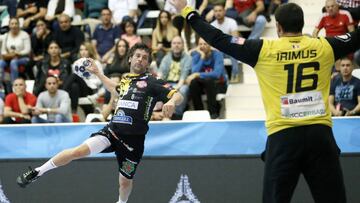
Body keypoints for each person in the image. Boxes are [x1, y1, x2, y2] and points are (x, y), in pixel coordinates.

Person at [171, 0, 360, 202]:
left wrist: (188, 11)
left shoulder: (263, 49)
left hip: (283, 137)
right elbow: (357, 37)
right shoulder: (325, 46)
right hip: (320, 136)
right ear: (302, 24)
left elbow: (218, 38)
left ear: (278, 27)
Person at [16, 43, 183, 203]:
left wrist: (171, 102)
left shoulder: (153, 82)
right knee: (77, 151)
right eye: (137, 56)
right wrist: (97, 73)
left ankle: (121, 202)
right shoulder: (126, 80)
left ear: (147, 63)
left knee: (124, 182)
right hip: (112, 131)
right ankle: (38, 171)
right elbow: (115, 89)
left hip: (133, 141)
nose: (140, 59)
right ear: (130, 59)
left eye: (145, 57)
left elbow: (178, 95)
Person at [188, 37, 227, 119]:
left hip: (218, 84)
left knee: (209, 81)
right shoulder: (197, 55)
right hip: (203, 85)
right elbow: (194, 72)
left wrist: (198, 74)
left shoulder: (217, 55)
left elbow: (217, 74)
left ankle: (213, 113)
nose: (202, 46)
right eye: (200, 44)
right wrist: (202, 57)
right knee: (193, 83)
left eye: (205, 44)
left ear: (210, 45)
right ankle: (199, 112)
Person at [158, 36, 191, 119]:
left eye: (179, 43)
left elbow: (184, 74)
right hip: (167, 83)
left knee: (183, 90)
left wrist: (176, 87)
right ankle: (160, 113)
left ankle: (177, 115)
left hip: (181, 83)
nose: (176, 45)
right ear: (171, 45)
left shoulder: (188, 58)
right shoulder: (166, 58)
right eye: (174, 43)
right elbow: (161, 74)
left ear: (183, 45)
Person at [211, 3, 241, 81]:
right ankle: (224, 78)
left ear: (224, 11)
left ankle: (235, 75)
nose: (218, 13)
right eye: (216, 11)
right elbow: (211, 43)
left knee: (233, 50)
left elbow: (235, 39)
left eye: (220, 10)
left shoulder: (232, 22)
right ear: (214, 13)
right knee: (217, 54)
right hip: (219, 50)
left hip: (229, 48)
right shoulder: (212, 25)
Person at [0, 17, 31, 84]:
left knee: (13, 62)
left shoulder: (24, 35)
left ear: (19, 25)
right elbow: (3, 51)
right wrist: (9, 55)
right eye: (12, 24)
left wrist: (17, 53)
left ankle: (14, 85)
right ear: (9, 25)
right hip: (9, 57)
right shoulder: (6, 35)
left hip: (23, 58)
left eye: (16, 23)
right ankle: (1, 87)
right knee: (0, 63)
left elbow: (27, 50)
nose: (14, 25)